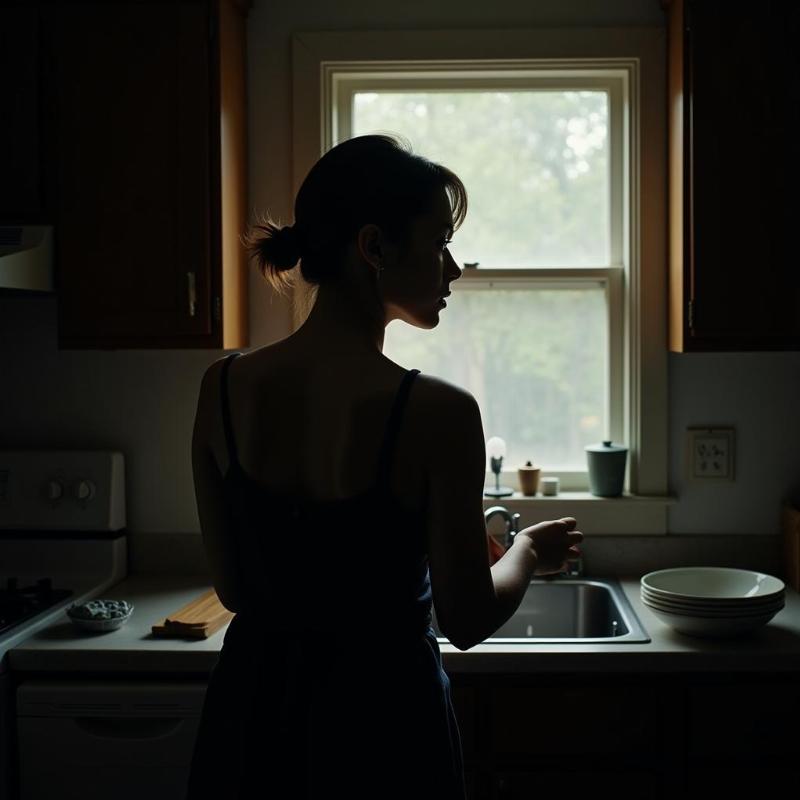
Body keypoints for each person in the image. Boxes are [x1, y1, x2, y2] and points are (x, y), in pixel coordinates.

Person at [186, 133, 583, 800]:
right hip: (386, 735)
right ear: (373, 248)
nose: (452, 267)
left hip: (252, 723)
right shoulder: (438, 413)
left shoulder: (222, 388)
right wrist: (524, 555)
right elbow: (466, 621)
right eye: (437, 242)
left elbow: (234, 591)